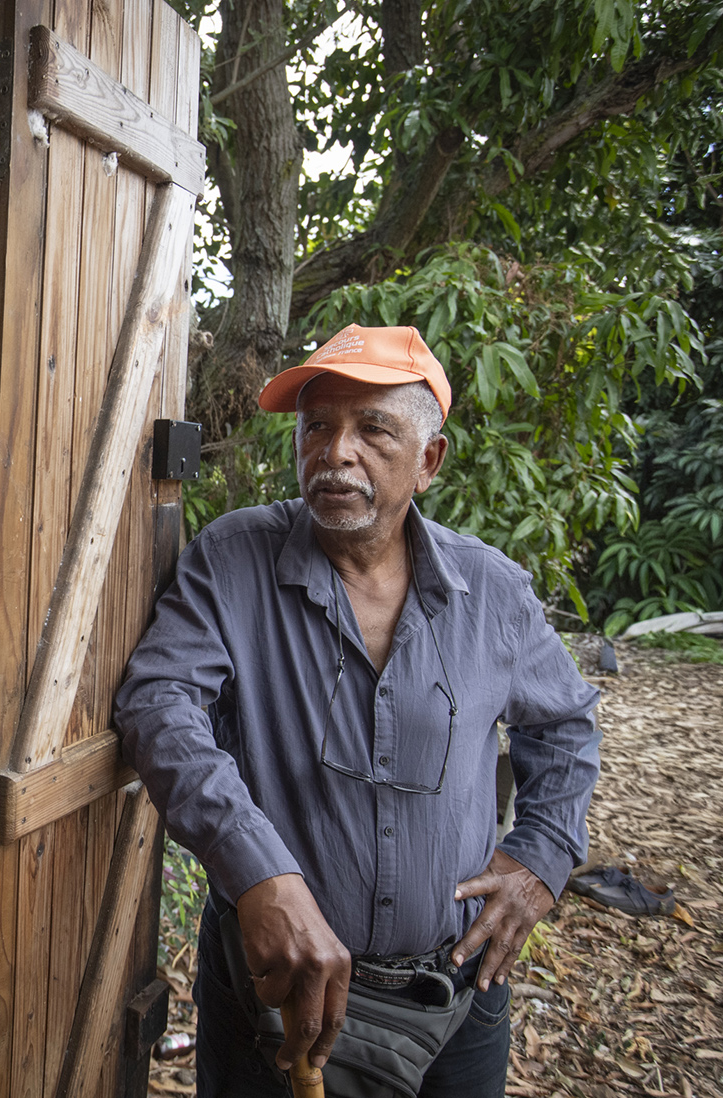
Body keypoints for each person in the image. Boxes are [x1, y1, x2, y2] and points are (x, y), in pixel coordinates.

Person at [115, 325, 600, 1097]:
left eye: (373, 429)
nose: (336, 451)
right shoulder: (237, 557)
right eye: (317, 427)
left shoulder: (493, 591)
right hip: (274, 992)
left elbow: (565, 728)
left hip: (457, 998)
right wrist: (259, 873)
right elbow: (159, 702)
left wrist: (543, 857)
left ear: (429, 461)